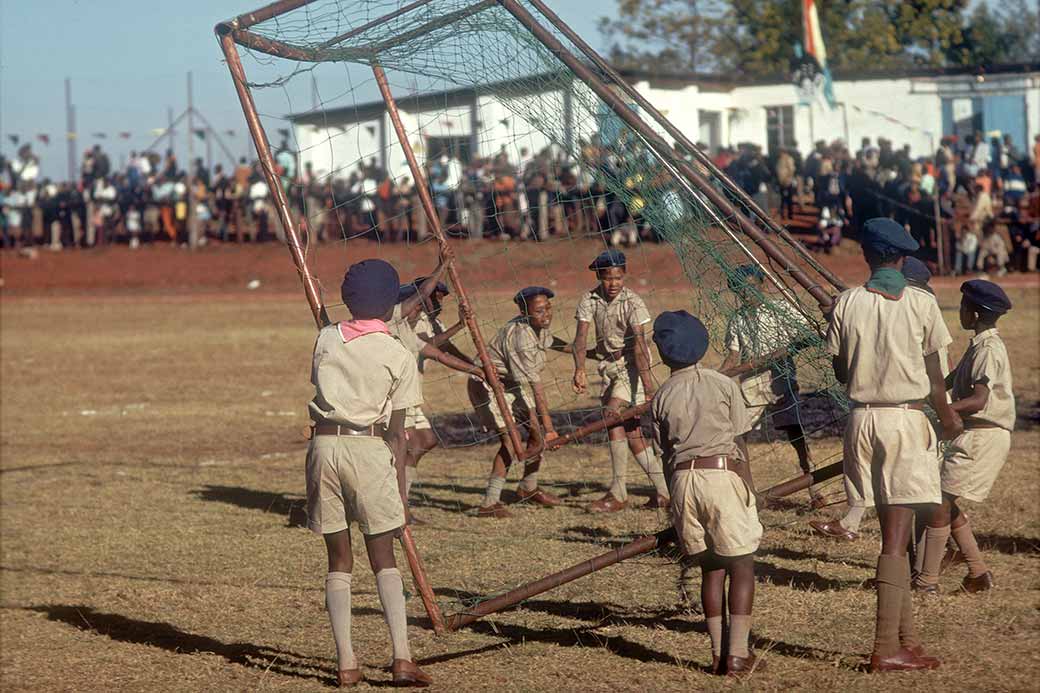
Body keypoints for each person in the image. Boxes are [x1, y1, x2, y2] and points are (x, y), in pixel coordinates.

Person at [825, 217, 961, 673]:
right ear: (903, 259)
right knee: (895, 541)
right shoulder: (921, 303)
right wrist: (948, 419)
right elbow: (937, 377)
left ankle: (907, 638)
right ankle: (886, 648)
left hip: (862, 423)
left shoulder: (846, 303)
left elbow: (842, 373)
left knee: (894, 539)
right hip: (904, 422)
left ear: (865, 255)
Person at [305, 258, 432, 687]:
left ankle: (347, 663)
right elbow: (399, 435)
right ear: (391, 305)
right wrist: (400, 493)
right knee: (383, 556)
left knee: (338, 558)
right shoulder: (398, 353)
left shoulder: (325, 339)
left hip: (323, 447)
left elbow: (330, 354)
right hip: (369, 448)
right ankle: (402, 657)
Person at [650, 311, 763, 677]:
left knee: (711, 570)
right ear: (702, 345)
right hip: (722, 474)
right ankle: (738, 655)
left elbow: (665, 454)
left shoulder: (661, 396)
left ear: (663, 354)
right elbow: (739, 439)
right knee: (742, 565)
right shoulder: (722, 384)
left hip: (683, 482)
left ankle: (717, 654)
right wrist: (749, 487)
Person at [914, 280, 1014, 595]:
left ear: (974, 313)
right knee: (945, 500)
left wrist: (941, 409)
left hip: (983, 436)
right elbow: (945, 382)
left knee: (939, 503)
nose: (960, 312)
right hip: (972, 435)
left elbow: (979, 400)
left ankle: (926, 581)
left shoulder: (988, 349)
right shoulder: (978, 345)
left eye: (962, 307)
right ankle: (978, 573)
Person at [572, 250, 668, 513]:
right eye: (607, 278)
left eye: (618, 277)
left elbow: (639, 345)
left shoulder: (633, 302)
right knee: (632, 434)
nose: (613, 283)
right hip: (607, 367)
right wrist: (579, 368)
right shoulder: (589, 300)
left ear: (624, 275)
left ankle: (618, 493)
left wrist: (649, 387)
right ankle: (665, 491)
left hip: (632, 366)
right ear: (598, 276)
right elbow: (581, 338)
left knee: (611, 415)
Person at [387, 271, 484, 523]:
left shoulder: (412, 327)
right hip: (394, 401)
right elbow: (433, 345)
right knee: (400, 451)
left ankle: (399, 501)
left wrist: (476, 369)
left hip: (410, 398)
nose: (428, 307)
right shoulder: (395, 327)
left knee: (425, 441)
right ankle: (399, 509)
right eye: (425, 302)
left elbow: (440, 351)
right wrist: (442, 265)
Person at [721, 265, 816, 487]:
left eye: (752, 287)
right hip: (751, 385)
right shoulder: (738, 319)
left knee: (794, 431)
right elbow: (733, 357)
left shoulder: (781, 310)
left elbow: (808, 336)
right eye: (741, 289)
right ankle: (742, 486)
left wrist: (785, 351)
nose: (747, 293)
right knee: (737, 433)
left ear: (763, 285)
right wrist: (717, 376)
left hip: (781, 382)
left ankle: (812, 484)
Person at [471, 287, 562, 518]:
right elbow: (535, 387)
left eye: (548, 308)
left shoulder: (538, 328)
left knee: (536, 435)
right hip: (490, 385)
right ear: (524, 312)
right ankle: (489, 503)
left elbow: (553, 342)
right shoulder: (520, 337)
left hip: (512, 383)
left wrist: (584, 352)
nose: (546, 315)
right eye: (539, 311)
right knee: (512, 442)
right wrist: (550, 429)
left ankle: (528, 488)